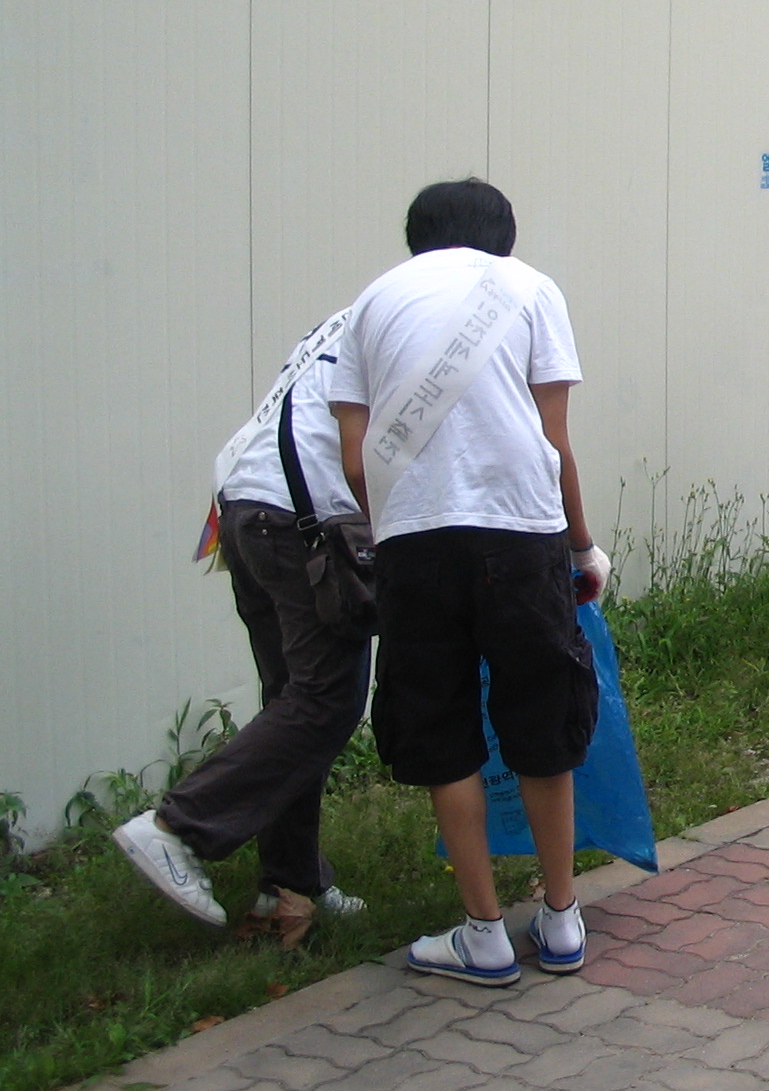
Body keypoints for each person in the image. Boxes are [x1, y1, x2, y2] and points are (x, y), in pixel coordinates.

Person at [330, 179, 609, 987]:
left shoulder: (373, 302)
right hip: (521, 533)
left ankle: (483, 933)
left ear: (417, 238)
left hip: (414, 541)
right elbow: (554, 444)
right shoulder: (529, 288)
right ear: (503, 239)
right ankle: (560, 919)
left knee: (440, 722)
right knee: (540, 711)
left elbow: (356, 458)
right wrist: (584, 550)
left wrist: (403, 525)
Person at [113, 314, 373, 932]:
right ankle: (177, 827)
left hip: (247, 508)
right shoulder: (422, 318)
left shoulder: (353, 316)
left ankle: (290, 885)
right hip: (302, 529)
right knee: (323, 704)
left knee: (293, 704)